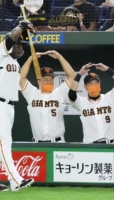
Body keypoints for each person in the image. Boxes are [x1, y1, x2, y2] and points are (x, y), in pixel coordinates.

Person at [0, 20, 34, 191]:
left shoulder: (14, 62)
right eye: (19, 45)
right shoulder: (1, 53)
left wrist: (27, 32)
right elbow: (11, 37)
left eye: (23, 46)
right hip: (0, 105)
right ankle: (15, 180)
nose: (22, 48)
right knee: (4, 143)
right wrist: (22, 25)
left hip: (9, 107)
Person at [20, 50, 76, 143]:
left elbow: (72, 75)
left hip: (57, 142)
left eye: (51, 79)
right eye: (45, 79)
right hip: (37, 143)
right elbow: (21, 77)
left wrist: (59, 57)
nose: (49, 82)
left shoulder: (59, 93)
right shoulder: (32, 93)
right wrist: (30, 59)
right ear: (39, 82)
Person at [68, 63, 114, 144]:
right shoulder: (81, 102)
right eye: (91, 83)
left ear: (100, 84)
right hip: (91, 147)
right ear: (85, 87)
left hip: (110, 145)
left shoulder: (109, 98)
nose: (94, 85)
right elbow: (71, 95)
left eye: (96, 83)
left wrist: (108, 70)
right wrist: (79, 75)